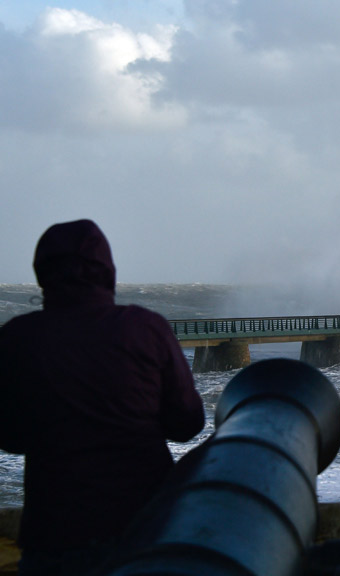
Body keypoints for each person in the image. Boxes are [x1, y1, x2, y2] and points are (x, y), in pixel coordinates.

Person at [0, 219, 205, 575]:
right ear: (107, 271)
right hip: (144, 527)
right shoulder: (145, 328)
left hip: (54, 535)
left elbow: (10, 437)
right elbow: (187, 424)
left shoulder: (17, 338)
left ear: (43, 272)